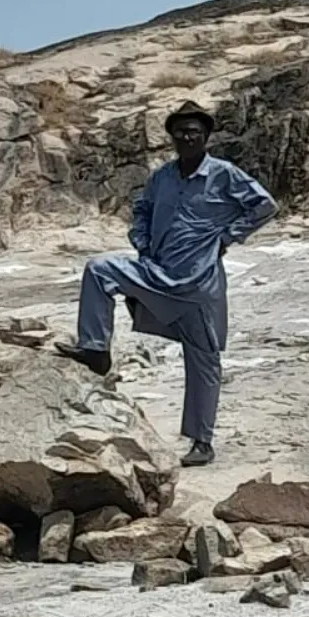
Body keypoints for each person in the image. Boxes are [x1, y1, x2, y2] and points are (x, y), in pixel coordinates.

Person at [56, 101, 277, 466]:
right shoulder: (162, 176)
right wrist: (140, 240)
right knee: (99, 269)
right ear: (172, 137)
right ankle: (95, 349)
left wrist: (226, 238)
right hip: (155, 273)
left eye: (195, 131)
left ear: (205, 136)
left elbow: (264, 205)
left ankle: (201, 442)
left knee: (203, 360)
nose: (188, 136)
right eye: (181, 131)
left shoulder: (224, 174)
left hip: (199, 285)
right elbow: (142, 209)